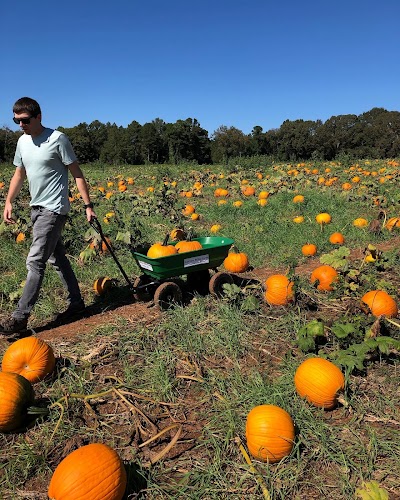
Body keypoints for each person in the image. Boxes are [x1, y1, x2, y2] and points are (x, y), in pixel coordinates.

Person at [0, 97, 96, 335]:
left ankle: (20, 318)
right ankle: (77, 304)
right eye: (16, 120)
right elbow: (19, 173)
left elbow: (77, 173)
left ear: (38, 117)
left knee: (35, 261)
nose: (20, 125)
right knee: (57, 257)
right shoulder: (22, 142)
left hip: (54, 208)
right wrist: (9, 201)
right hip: (36, 208)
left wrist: (88, 205)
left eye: (24, 120)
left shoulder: (57, 139)